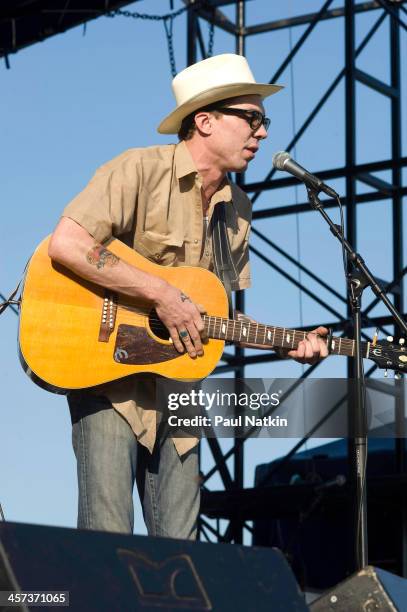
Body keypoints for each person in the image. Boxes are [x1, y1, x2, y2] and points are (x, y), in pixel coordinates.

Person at [48, 53, 328, 539]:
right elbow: (68, 244)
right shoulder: (137, 170)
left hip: (180, 387)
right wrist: (160, 293)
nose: (262, 133)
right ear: (205, 121)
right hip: (108, 378)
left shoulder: (238, 209)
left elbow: (215, 313)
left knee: (182, 553)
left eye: (265, 121)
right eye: (252, 118)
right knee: (107, 539)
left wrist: (282, 342)